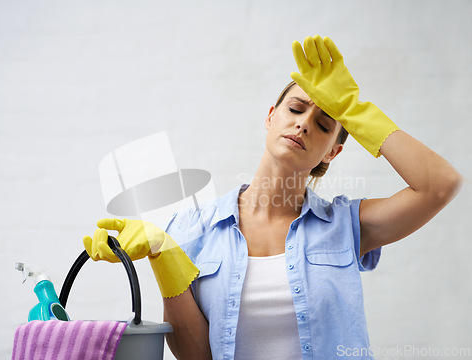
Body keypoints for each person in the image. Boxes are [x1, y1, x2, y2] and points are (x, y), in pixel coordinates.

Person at [83, 35, 462, 360]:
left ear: (333, 152)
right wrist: (163, 256)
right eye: (295, 109)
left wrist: (355, 111)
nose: (303, 123)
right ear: (270, 117)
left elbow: (440, 185)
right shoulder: (191, 230)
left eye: (324, 124)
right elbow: (197, 355)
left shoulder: (348, 226)